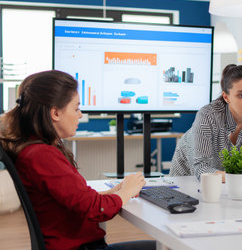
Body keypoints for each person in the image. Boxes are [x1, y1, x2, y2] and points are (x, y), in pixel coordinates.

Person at [0, 70, 156, 250]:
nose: (80, 114)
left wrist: (115, 192)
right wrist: (127, 191)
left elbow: (77, 200)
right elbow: (97, 211)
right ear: (55, 113)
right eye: (76, 108)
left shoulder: (34, 150)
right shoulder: (42, 155)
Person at [169, 64, 242, 180]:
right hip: (186, 179)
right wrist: (236, 179)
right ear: (226, 97)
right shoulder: (208, 116)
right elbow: (200, 168)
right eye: (241, 95)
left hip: (225, 183)